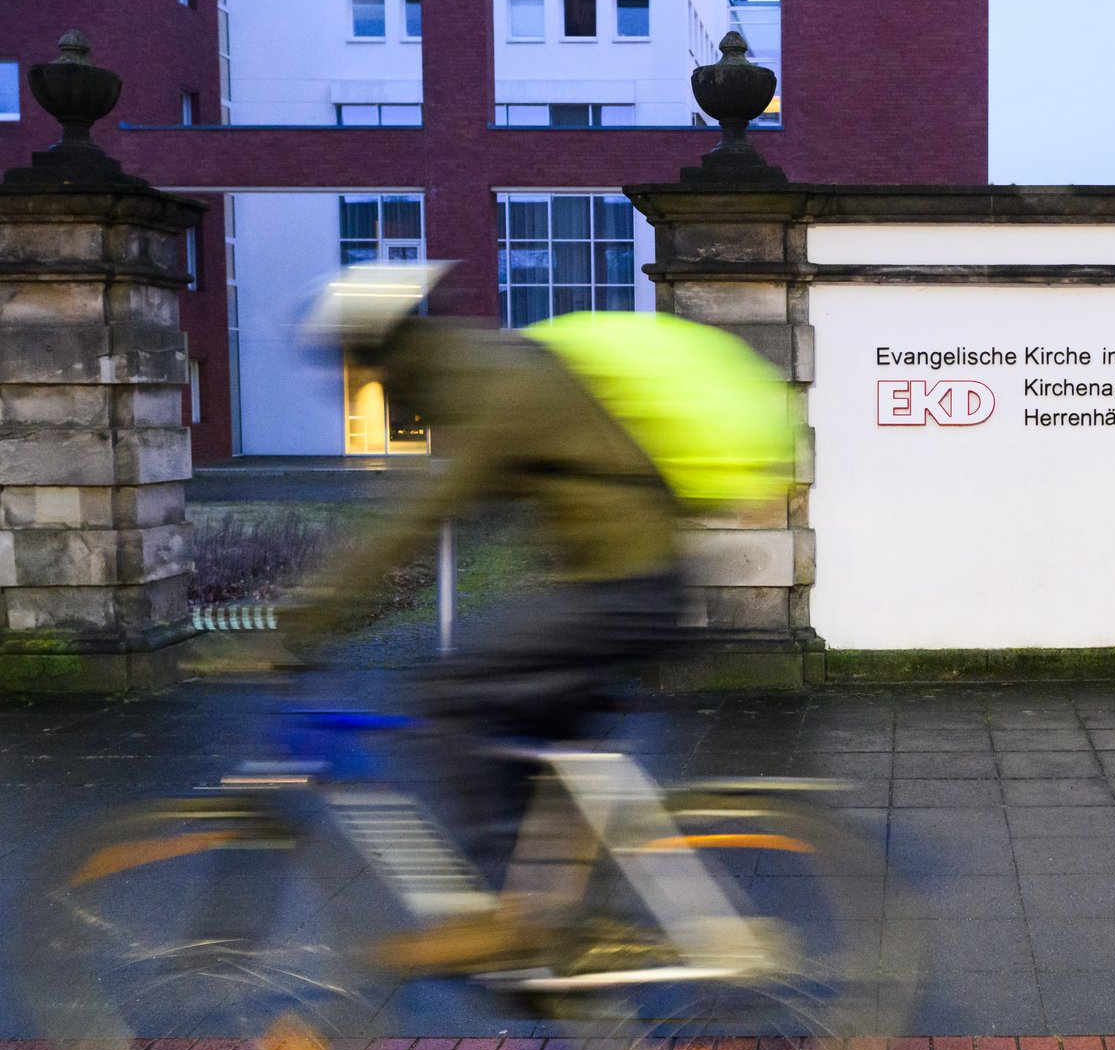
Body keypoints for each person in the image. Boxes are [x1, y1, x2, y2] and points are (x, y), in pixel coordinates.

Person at [281, 263, 793, 974]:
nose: (363, 381)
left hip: (621, 590)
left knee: (447, 697)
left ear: (387, 349)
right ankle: (574, 931)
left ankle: (505, 918)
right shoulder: (479, 373)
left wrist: (313, 614)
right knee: (537, 761)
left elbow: (429, 515)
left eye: (359, 364)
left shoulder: (495, 383)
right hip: (624, 584)